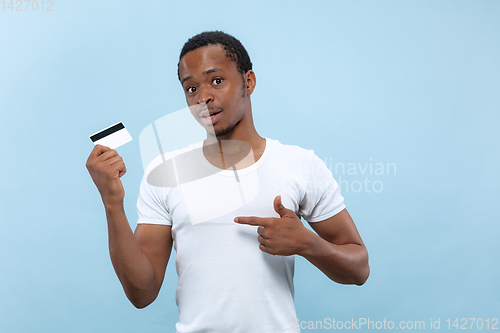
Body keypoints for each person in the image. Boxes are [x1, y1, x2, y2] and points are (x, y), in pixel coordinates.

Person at [86, 31, 369, 333]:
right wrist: (112, 204)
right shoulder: (165, 172)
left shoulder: (300, 165)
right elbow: (142, 293)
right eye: (191, 88)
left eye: (216, 81)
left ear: (248, 82)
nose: (203, 97)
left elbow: (359, 268)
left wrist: (308, 244)